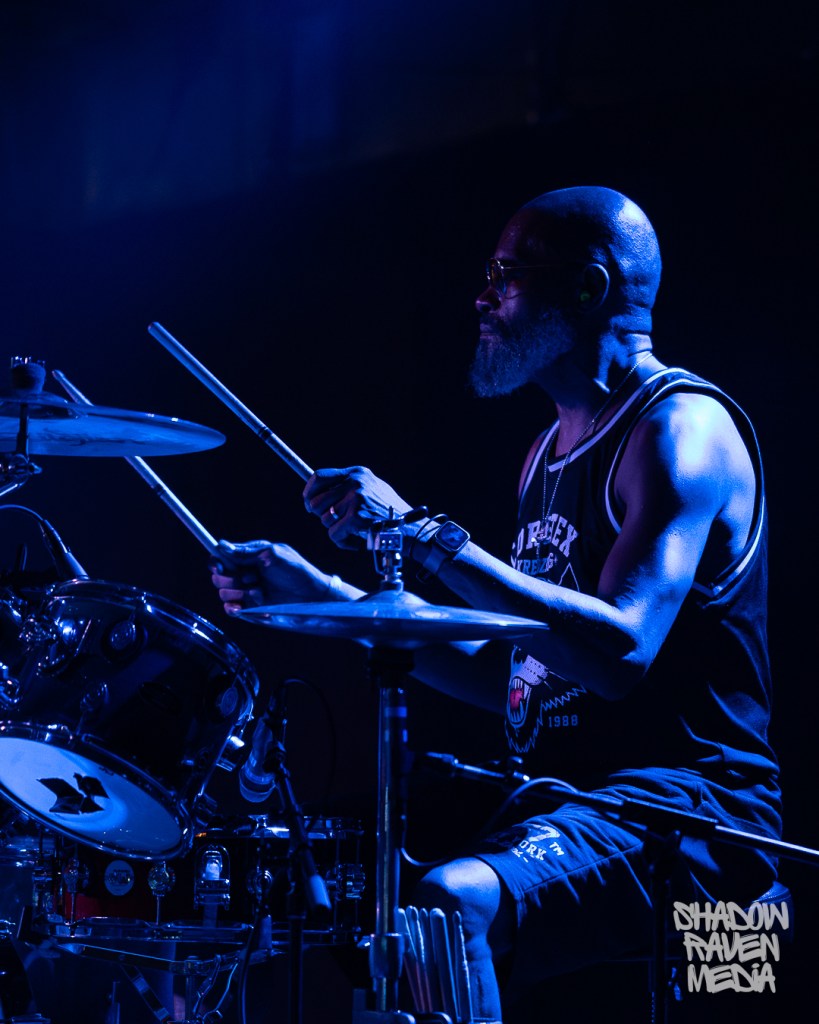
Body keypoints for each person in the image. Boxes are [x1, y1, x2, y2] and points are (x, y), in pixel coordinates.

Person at [211, 186, 781, 1020]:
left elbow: (619, 655)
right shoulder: (545, 452)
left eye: (505, 276)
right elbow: (516, 677)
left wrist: (421, 535)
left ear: (588, 287)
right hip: (573, 802)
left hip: (693, 818)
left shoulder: (677, 429)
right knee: (330, 876)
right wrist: (328, 597)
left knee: (454, 901)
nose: (482, 297)